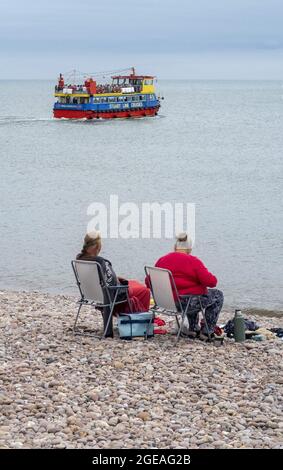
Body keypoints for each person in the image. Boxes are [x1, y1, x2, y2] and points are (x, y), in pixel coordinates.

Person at [150, 232, 224, 339]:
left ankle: (193, 329)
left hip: (165, 303)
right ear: (190, 248)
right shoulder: (193, 261)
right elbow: (212, 282)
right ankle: (207, 331)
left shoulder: (162, 260)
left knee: (191, 294)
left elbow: (149, 282)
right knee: (217, 295)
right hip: (184, 303)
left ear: (175, 246)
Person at [76, 231, 150, 337]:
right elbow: (112, 286)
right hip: (111, 297)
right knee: (144, 291)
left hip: (93, 295)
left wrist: (116, 278)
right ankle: (140, 325)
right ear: (98, 246)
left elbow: (97, 278)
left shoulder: (80, 260)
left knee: (134, 283)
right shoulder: (101, 262)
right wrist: (119, 281)